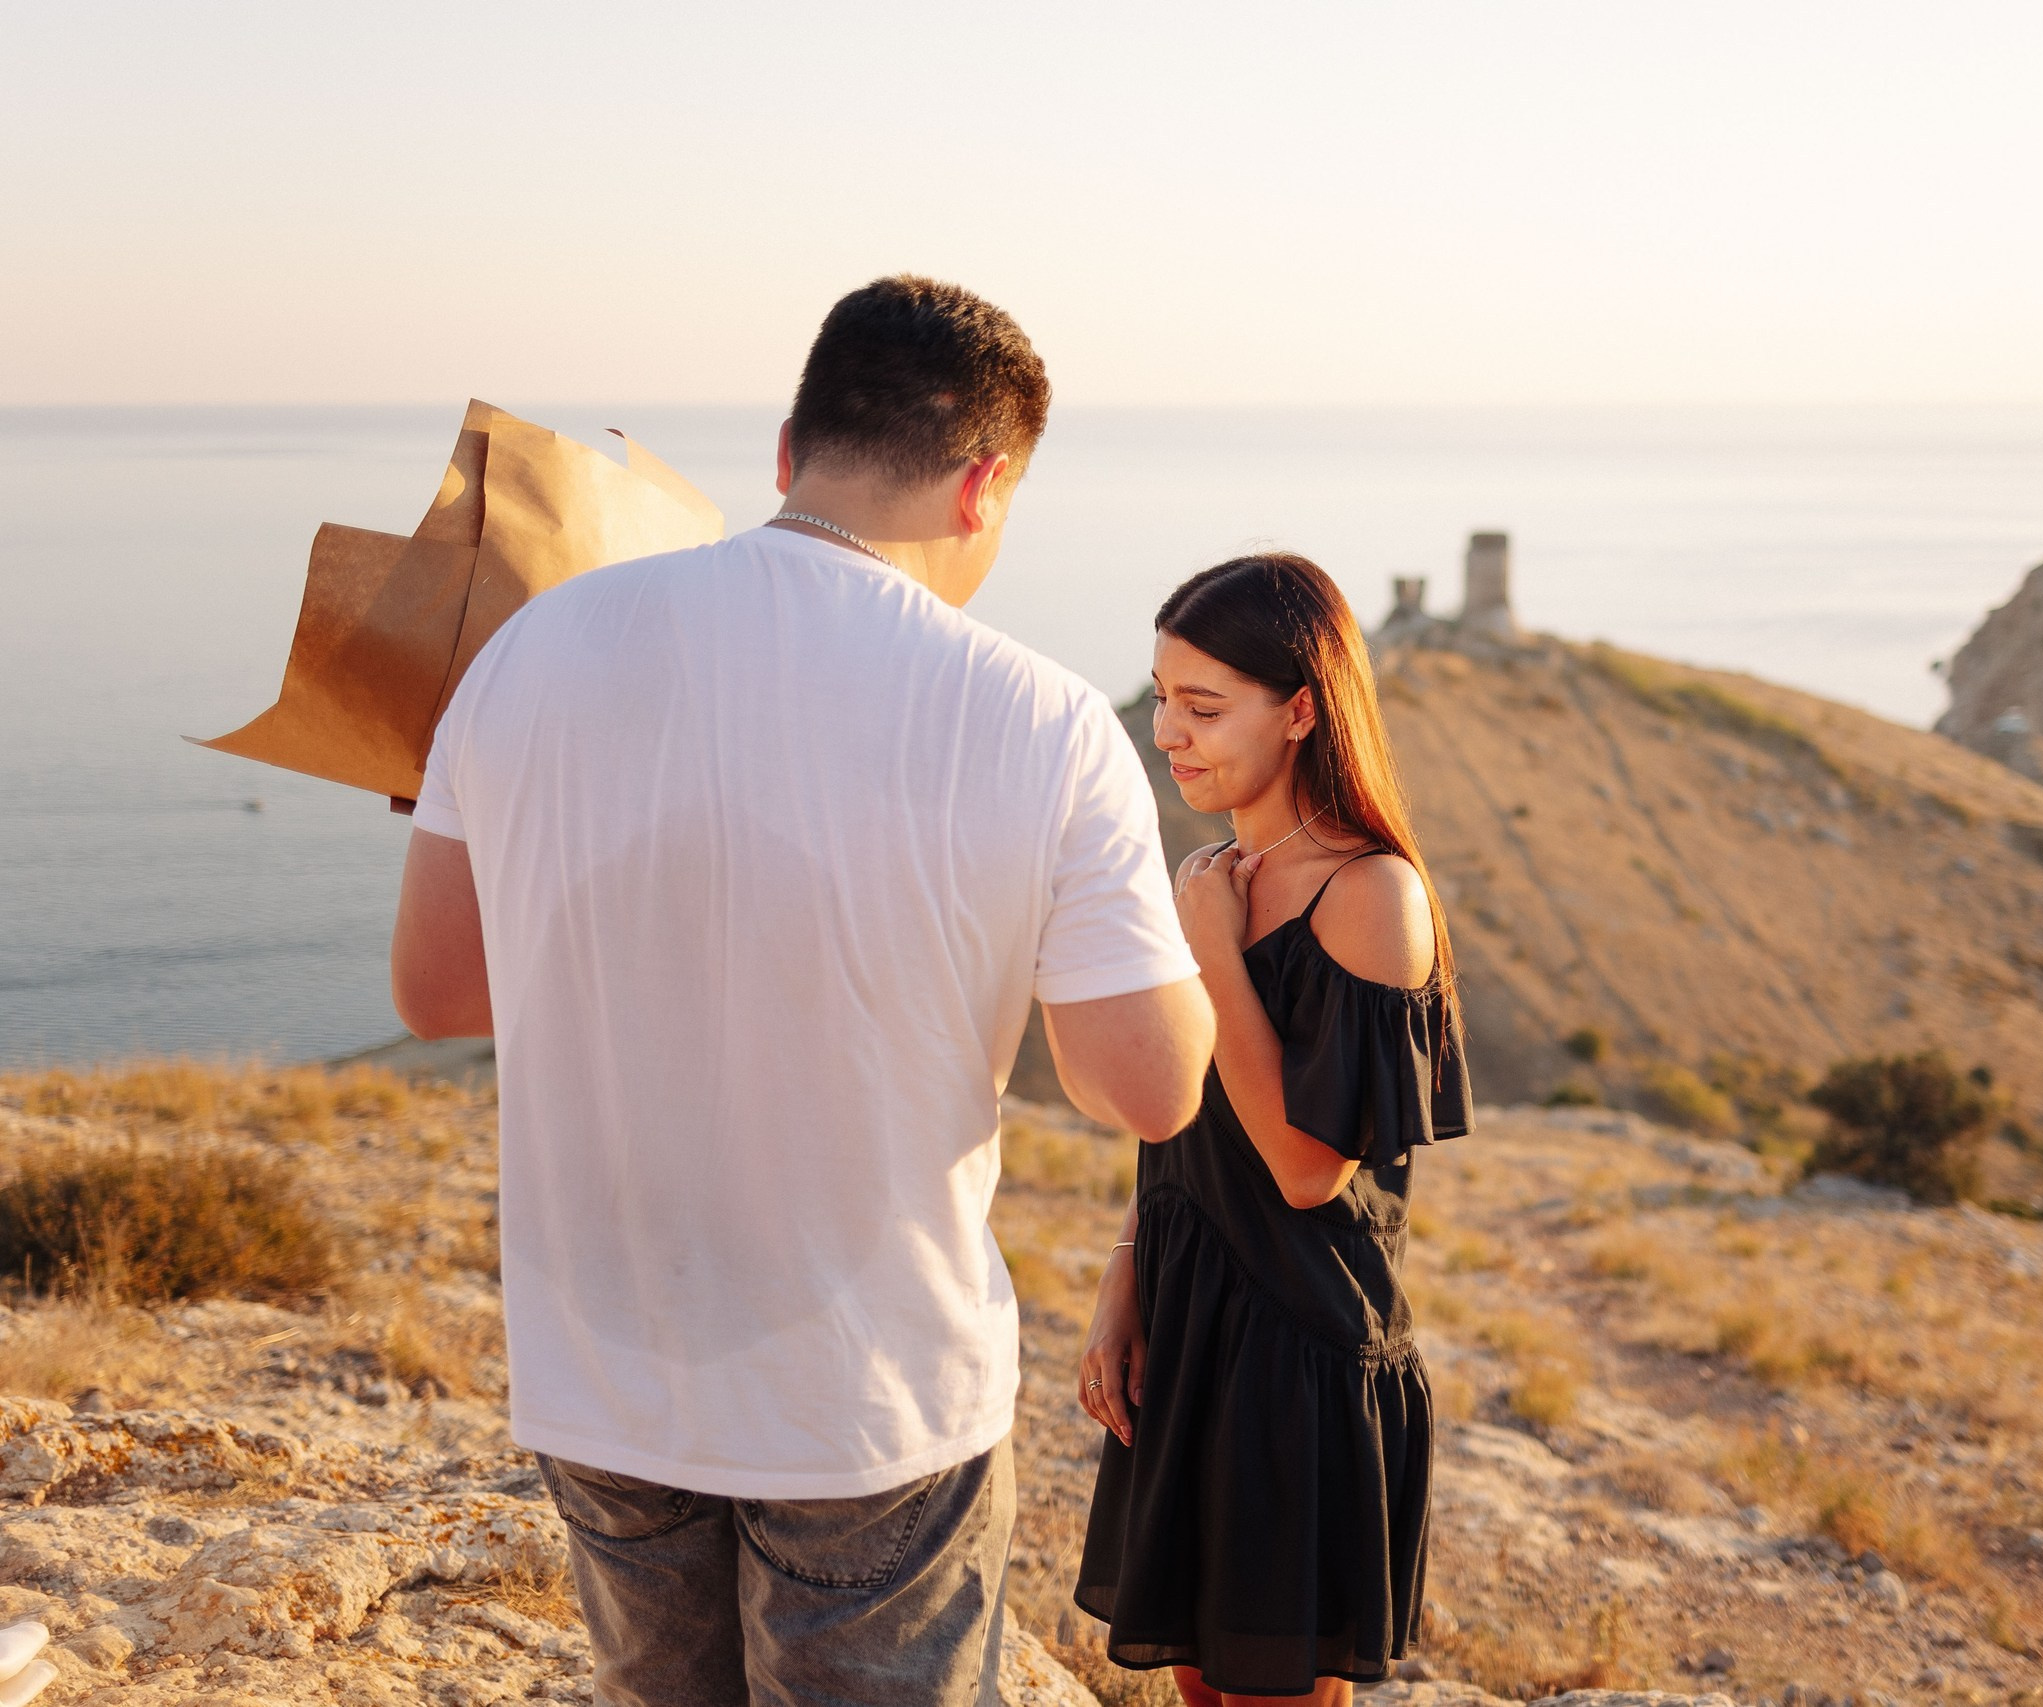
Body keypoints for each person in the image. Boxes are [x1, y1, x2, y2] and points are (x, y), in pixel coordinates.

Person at [389, 275, 1217, 1707]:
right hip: (868, 1390)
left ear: (787, 449)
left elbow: (440, 989)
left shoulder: (528, 648)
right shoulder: (1041, 716)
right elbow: (1146, 1087)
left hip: (607, 1366)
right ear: (985, 484)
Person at [1073, 554, 1473, 1706]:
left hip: (1297, 1357)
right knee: (1199, 1690)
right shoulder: (1214, 874)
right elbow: (1180, 1122)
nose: (1167, 732)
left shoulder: (1371, 894)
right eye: (1163, 698)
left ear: (1300, 710)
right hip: (1192, 1330)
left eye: (1204, 708)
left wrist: (1210, 949)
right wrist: (1126, 1275)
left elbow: (1305, 1169)